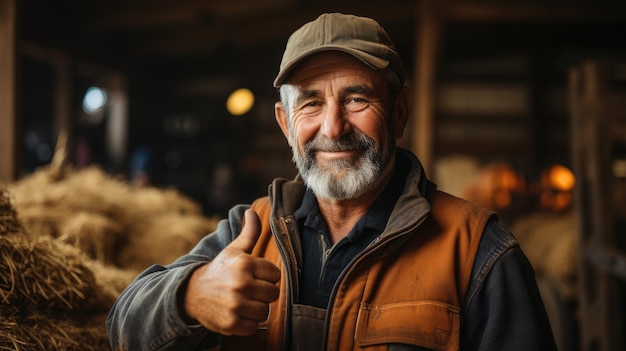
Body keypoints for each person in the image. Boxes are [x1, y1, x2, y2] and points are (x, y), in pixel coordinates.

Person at [106, 13, 557, 351]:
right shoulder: (250, 231)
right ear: (285, 123)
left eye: (357, 98)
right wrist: (190, 295)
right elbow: (121, 324)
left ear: (399, 111)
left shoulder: (479, 252)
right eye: (311, 104)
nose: (334, 127)